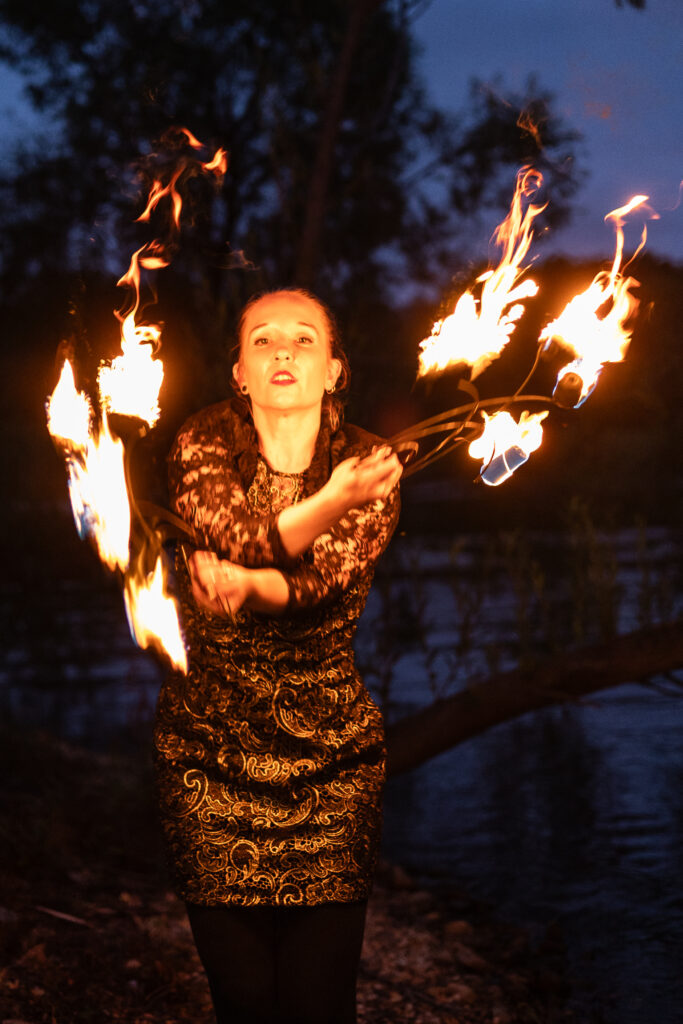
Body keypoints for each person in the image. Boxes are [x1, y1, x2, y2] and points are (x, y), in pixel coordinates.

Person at [153, 288, 403, 1024]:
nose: (282, 351)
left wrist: (246, 588)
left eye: (303, 339)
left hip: (332, 766)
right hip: (207, 760)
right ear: (238, 372)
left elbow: (315, 584)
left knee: (318, 1002)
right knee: (246, 1000)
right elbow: (238, 536)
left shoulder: (366, 463)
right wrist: (328, 502)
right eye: (262, 340)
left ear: (334, 370)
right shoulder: (200, 443)